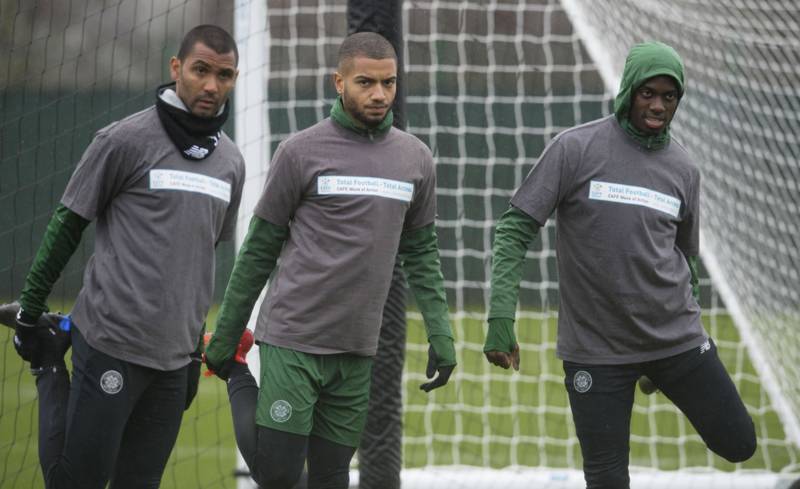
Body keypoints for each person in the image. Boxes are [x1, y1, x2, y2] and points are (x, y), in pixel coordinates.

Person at [483, 41, 756, 488]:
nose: (658, 105)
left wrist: (693, 319)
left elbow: (686, 258)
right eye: (648, 93)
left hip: (675, 338)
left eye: (669, 96)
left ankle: (656, 372)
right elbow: (514, 229)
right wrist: (499, 317)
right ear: (629, 90)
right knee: (607, 479)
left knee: (739, 442)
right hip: (596, 350)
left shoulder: (684, 168)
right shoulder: (574, 148)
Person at [203, 31, 456, 489]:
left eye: (389, 83)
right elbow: (259, 250)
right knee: (277, 474)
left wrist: (441, 333)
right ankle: (239, 371)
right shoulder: (299, 151)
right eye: (366, 82)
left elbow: (421, 252)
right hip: (294, 338)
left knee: (332, 477)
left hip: (357, 349)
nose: (380, 94)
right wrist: (225, 339)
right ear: (339, 82)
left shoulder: (416, 158)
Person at [8, 25, 245, 489]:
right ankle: (49, 362)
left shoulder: (232, 163)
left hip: (175, 359)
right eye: (200, 70)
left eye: (224, 75)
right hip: (111, 342)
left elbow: (199, 260)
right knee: (73, 482)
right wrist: (30, 312)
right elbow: (67, 224)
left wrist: (194, 351)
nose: (211, 85)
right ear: (176, 68)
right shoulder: (122, 140)